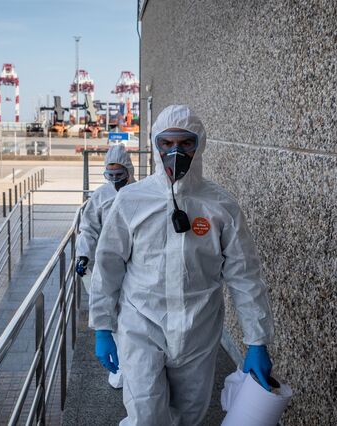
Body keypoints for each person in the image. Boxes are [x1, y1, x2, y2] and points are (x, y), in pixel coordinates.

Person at [89, 105, 275, 425]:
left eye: (185, 144)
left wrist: (256, 341)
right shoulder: (131, 200)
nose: (175, 152)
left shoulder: (221, 205)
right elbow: (108, 264)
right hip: (141, 323)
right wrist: (103, 326)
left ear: (199, 144)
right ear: (155, 143)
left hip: (199, 329)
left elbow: (244, 275)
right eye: (166, 144)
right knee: (146, 413)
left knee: (190, 414)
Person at [75, 142, 134, 389]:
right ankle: (120, 366)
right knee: (111, 310)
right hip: (107, 263)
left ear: (129, 171)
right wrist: (83, 255)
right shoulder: (100, 197)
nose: (114, 179)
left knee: (131, 315)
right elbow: (89, 228)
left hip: (134, 264)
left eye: (119, 174)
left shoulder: (141, 193)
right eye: (110, 175)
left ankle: (131, 366)